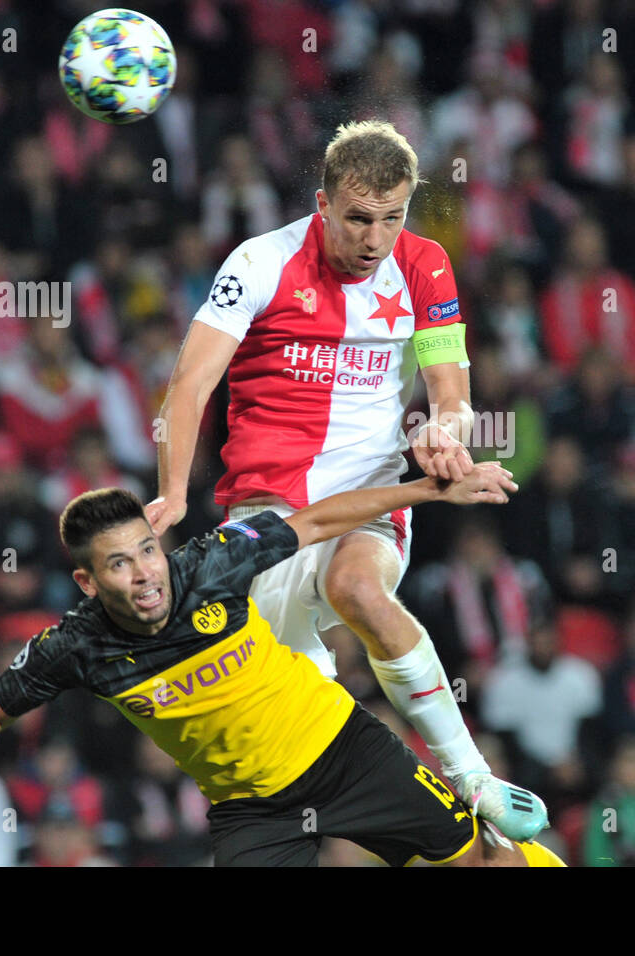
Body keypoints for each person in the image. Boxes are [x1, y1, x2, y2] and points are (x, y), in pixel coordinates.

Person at [144, 119, 547, 839]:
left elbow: (452, 397)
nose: (374, 238)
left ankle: (471, 778)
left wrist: (444, 440)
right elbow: (190, 382)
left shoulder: (425, 266)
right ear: (324, 203)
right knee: (285, 723)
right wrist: (174, 491)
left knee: (357, 588)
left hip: (371, 494)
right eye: (358, 218)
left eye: (391, 218)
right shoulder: (260, 262)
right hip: (269, 510)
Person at [0, 468, 562, 866]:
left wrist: (431, 490)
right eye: (119, 564)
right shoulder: (76, 647)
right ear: (87, 581)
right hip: (250, 808)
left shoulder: (211, 565)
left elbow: (320, 518)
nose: (144, 574)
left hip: (343, 750)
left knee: (481, 862)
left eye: (147, 549)